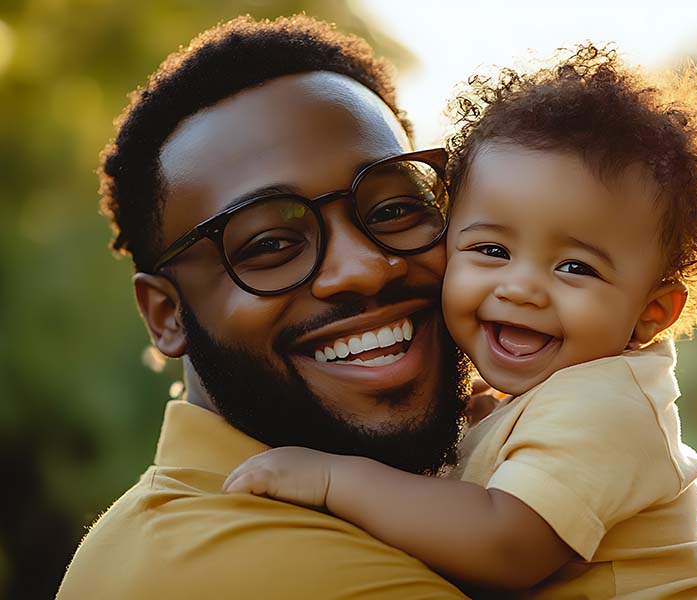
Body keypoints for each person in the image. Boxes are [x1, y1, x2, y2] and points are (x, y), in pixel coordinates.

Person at [223, 44, 697, 597]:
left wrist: (333, 479)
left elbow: (507, 547)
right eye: (491, 250)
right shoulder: (541, 398)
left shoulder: (607, 406)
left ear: (650, 313)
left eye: (574, 267)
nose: (521, 288)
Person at [56, 14, 476, 599]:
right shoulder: (244, 564)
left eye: (393, 210)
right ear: (165, 314)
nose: (363, 267)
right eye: (271, 245)